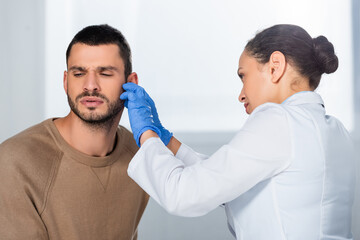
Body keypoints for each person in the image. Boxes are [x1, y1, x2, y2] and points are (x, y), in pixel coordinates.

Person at [121, 24, 356, 239]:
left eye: (243, 76)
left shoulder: (278, 120)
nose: (241, 94)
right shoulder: (337, 132)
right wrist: (166, 140)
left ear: (275, 67)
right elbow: (228, 179)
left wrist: (145, 133)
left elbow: (184, 195)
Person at [0, 24, 149, 240]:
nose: (90, 85)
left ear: (131, 83)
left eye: (105, 73)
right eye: (78, 73)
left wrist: (157, 138)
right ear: (66, 81)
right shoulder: (14, 162)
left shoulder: (141, 153)